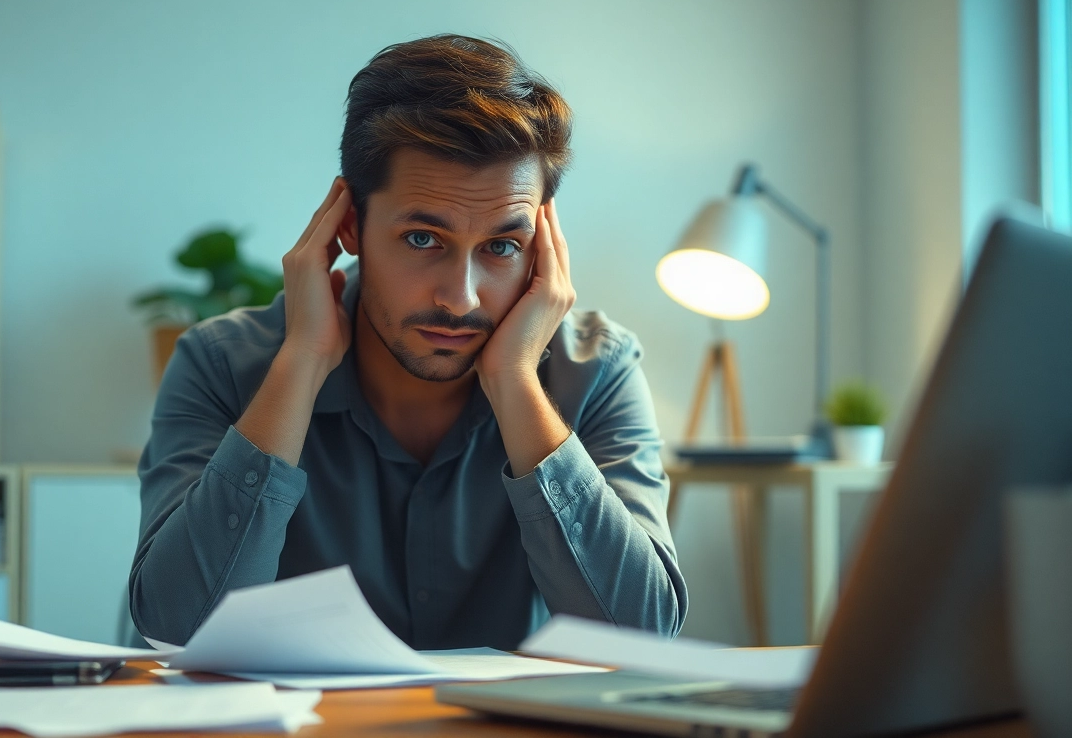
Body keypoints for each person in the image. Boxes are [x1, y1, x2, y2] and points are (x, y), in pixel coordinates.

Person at [130, 35, 686, 650]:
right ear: (350, 227)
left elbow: (638, 639)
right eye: (424, 239)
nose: (462, 298)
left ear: (541, 246)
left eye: (502, 246)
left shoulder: (597, 369)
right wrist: (303, 362)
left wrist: (515, 382)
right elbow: (176, 628)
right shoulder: (221, 363)